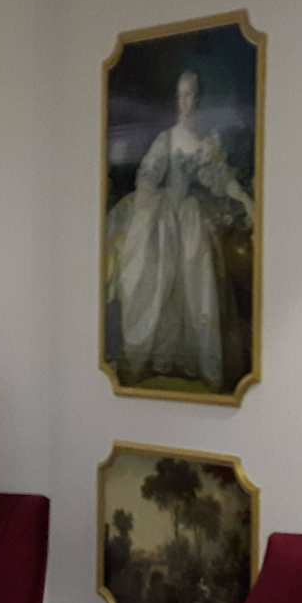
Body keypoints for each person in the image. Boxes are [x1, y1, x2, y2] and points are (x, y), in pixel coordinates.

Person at [105, 70, 253, 391]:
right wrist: (148, 202)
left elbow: (221, 179)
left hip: (190, 217)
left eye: (190, 95)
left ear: (198, 99)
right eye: (181, 95)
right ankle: (153, 358)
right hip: (162, 215)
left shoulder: (207, 142)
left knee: (196, 284)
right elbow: (148, 174)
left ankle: (194, 362)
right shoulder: (167, 138)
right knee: (155, 283)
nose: (185, 102)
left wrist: (244, 199)